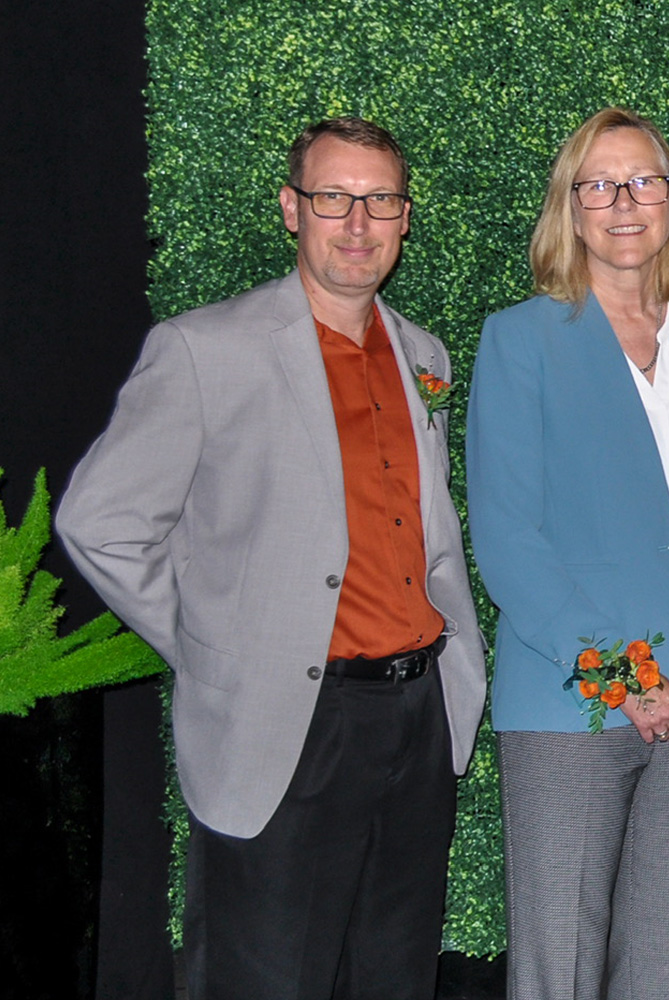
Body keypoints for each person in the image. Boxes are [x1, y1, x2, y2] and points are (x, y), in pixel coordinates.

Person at [55, 117, 487, 1000]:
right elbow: (100, 520)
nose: (358, 222)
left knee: (393, 978)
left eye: (380, 201)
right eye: (334, 198)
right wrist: (220, 643)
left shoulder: (423, 354)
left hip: (418, 717)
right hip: (289, 727)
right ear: (292, 209)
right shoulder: (205, 350)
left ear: (406, 219)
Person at [463, 107, 669, 999]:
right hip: (571, 704)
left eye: (645, 182)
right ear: (570, 208)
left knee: (668, 966)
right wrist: (621, 679)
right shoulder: (520, 341)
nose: (623, 202)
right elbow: (510, 539)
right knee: (558, 965)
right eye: (599, 184)